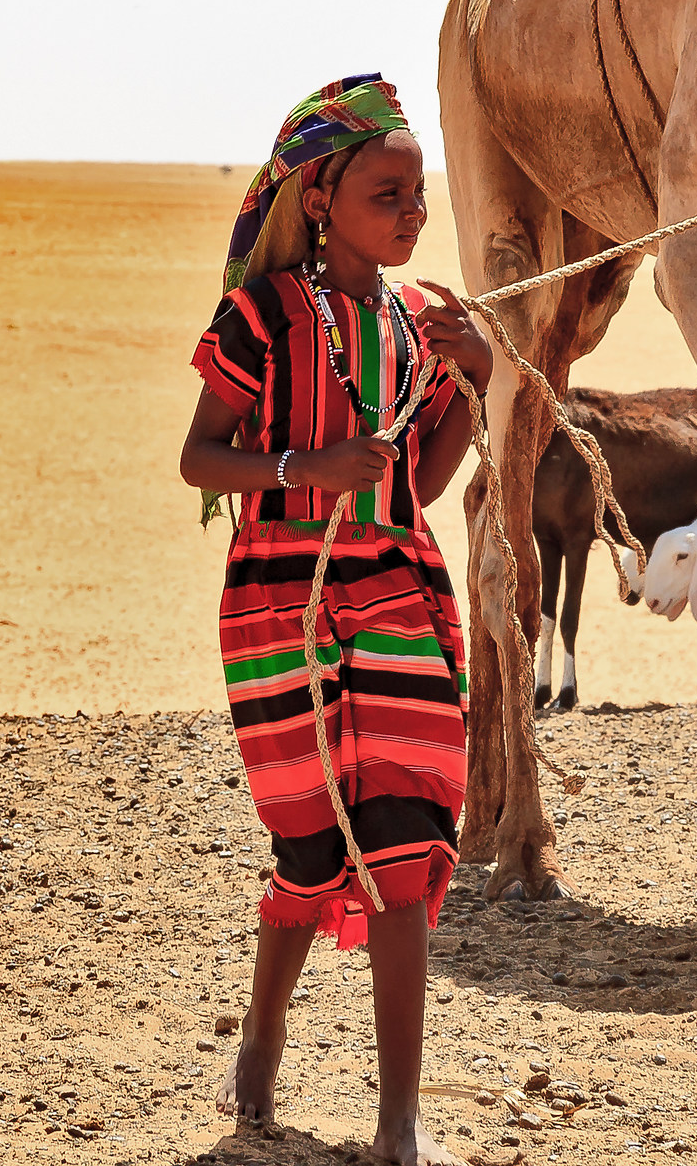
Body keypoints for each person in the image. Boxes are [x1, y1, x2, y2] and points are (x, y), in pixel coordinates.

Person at [179, 74, 491, 1166]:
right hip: (281, 597)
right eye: (385, 191)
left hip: (399, 588)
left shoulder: (419, 324)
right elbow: (196, 456)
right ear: (320, 199)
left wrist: (479, 380)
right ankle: (265, 1025)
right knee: (310, 846)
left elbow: (429, 480)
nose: (411, 212)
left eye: (418, 194)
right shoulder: (262, 316)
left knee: (405, 839)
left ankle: (399, 1118)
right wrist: (306, 466)